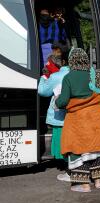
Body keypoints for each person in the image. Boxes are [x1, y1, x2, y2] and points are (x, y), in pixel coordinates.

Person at [55, 48, 100, 192]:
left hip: (79, 120)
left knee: (78, 150)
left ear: (72, 61)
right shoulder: (96, 74)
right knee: (97, 148)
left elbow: (63, 101)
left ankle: (84, 185)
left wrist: (57, 101)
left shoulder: (69, 77)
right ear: (85, 59)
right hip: (97, 118)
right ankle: (98, 181)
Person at [38, 44, 70, 181]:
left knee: (61, 141)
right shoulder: (73, 74)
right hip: (72, 115)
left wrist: (44, 78)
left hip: (58, 116)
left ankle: (68, 167)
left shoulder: (56, 76)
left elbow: (42, 91)